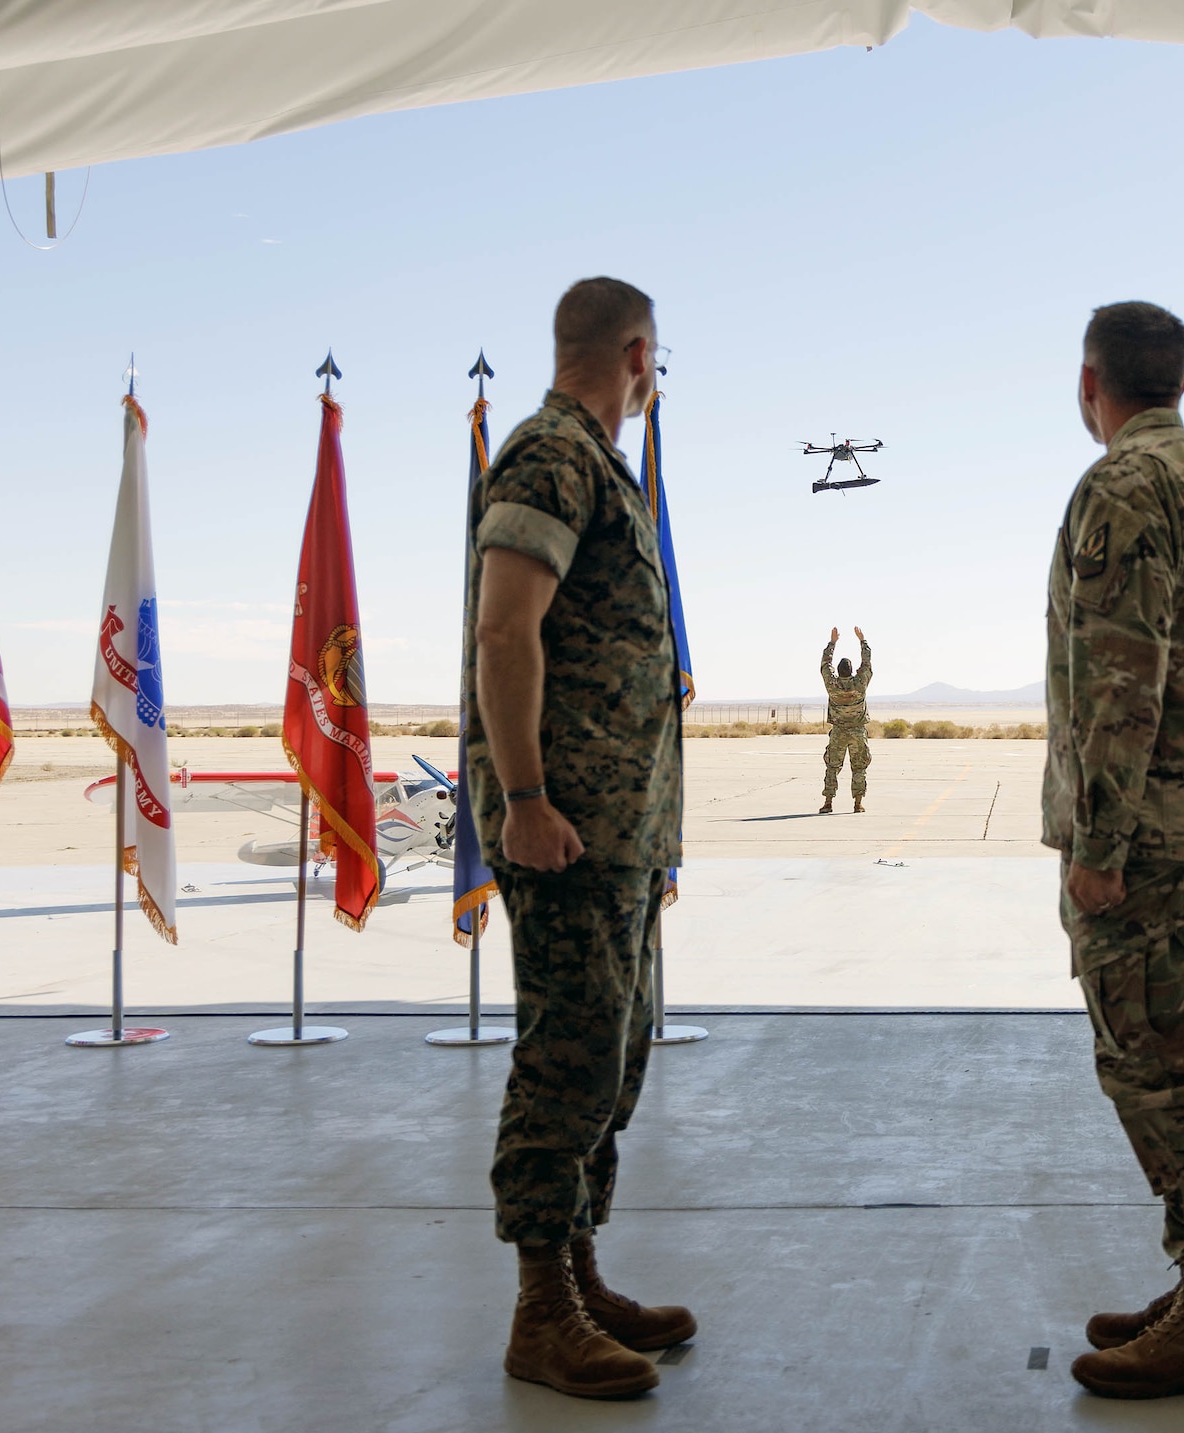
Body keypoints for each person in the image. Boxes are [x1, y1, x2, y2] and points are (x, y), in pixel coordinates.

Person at [466, 276, 695, 1400]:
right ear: (635, 351)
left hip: (612, 837)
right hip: (559, 827)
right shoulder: (551, 454)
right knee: (566, 1054)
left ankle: (580, 1267)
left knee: (613, 1050)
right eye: (655, 361)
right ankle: (539, 1305)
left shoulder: (596, 465)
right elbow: (506, 626)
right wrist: (523, 795)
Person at [1043, 301, 1184, 1399]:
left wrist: (1097, 841)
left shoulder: (1124, 487)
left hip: (1140, 840)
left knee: (1168, 1066)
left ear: (1090, 383)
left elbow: (1117, 684)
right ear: (1173, 380)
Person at [819, 624, 872, 813]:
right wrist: (862, 641)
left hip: (839, 732)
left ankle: (828, 803)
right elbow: (866, 664)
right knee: (859, 768)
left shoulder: (832, 685)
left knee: (832, 767)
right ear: (851, 671)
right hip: (857, 731)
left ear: (838, 672)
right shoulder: (860, 684)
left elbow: (825, 665)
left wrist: (832, 642)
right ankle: (858, 804)